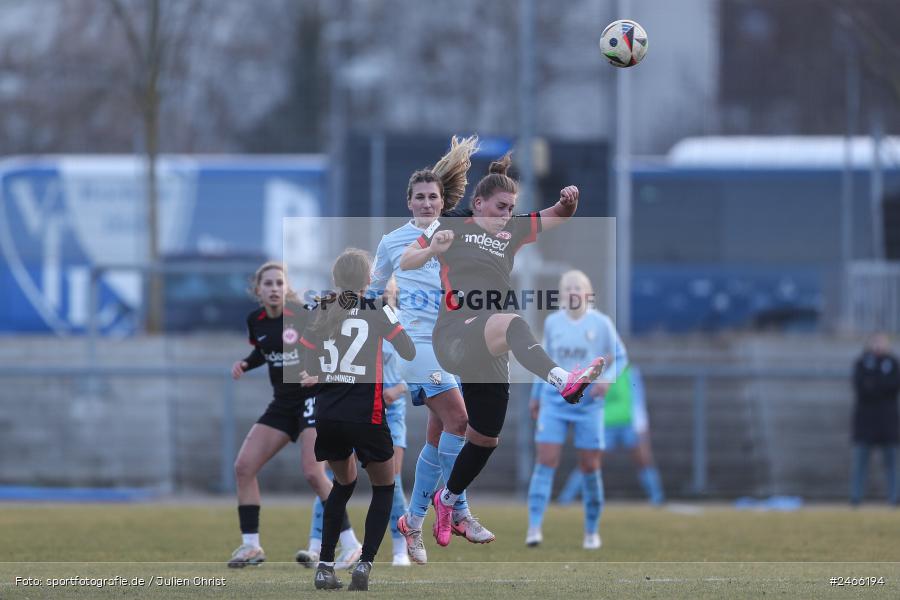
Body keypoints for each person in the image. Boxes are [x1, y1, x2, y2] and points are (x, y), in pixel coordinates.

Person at [401, 153, 606, 545]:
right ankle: (563, 380)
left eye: (511, 208)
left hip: (490, 342)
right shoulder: (452, 224)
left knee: (485, 438)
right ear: (479, 204)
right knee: (513, 321)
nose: (506, 214)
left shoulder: (512, 230)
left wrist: (569, 202)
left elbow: (558, 215)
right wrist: (431, 248)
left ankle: (447, 500)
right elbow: (408, 259)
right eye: (500, 207)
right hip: (455, 333)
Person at [370, 136, 494, 565]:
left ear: (443, 202)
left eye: (433, 197)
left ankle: (414, 521)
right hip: (417, 346)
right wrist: (388, 328)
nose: (426, 203)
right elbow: (372, 294)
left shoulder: (455, 234)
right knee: (462, 420)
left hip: (451, 345)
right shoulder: (393, 242)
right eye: (419, 197)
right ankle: (458, 508)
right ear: (409, 202)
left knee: (439, 435)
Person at [228, 261, 362, 569]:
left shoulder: (302, 314)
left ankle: (351, 545)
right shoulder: (255, 321)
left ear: (286, 287)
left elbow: (330, 342)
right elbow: (265, 350)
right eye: (268, 283)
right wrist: (246, 363)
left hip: (312, 400)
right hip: (282, 404)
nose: (274, 288)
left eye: (279, 283)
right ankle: (251, 546)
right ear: (257, 289)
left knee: (314, 473)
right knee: (244, 467)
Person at [299, 248, 416, 591]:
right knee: (384, 487)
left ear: (336, 279)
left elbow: (308, 360)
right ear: (369, 279)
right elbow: (408, 350)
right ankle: (364, 565)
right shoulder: (377, 308)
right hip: (366, 413)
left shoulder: (321, 309)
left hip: (329, 414)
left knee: (342, 485)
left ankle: (325, 567)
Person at [525, 270, 628, 550]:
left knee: (590, 466)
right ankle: (534, 527)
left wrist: (607, 379)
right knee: (545, 460)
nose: (572, 292)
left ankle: (591, 532)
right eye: (567, 288)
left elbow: (621, 357)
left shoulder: (601, 324)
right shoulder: (553, 323)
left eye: (577, 287)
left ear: (588, 293)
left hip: (588, 405)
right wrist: (536, 395)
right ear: (561, 294)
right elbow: (543, 362)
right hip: (554, 401)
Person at [555, 364, 665, 508]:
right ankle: (566, 498)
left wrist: (641, 425)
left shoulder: (630, 372)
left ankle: (657, 499)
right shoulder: (597, 373)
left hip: (629, 425)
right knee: (589, 462)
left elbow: (638, 399)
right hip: (605, 426)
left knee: (644, 460)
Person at [381, 278, 412, 567]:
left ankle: (400, 547)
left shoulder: (404, 322)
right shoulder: (357, 320)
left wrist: (398, 388)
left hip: (391, 410)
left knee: (392, 478)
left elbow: (419, 367)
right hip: (358, 408)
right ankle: (318, 546)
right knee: (335, 476)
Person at [850, 332, 899, 506]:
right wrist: (880, 385)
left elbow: (893, 385)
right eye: (875, 342)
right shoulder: (861, 363)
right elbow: (861, 386)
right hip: (865, 422)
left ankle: (894, 498)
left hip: (888, 422)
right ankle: (855, 498)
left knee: (892, 463)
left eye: (882, 342)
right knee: (860, 463)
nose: (878, 346)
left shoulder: (893, 363)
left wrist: (874, 384)